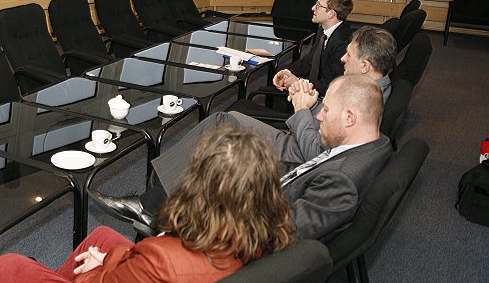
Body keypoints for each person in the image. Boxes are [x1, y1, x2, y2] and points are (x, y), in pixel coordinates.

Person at [0, 127, 295, 283]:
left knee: (6, 267)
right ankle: (47, 279)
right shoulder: (265, 239)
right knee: (102, 236)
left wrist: (96, 272)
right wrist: (110, 261)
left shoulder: (161, 262)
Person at [93, 74, 393, 242]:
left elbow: (284, 234)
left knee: (218, 156)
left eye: (325, 110)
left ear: (350, 118)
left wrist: (235, 192)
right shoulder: (376, 142)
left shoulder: (342, 181)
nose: (319, 117)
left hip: (260, 209)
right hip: (284, 181)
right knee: (222, 140)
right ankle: (153, 209)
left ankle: (153, 214)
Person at [273, 0, 354, 96]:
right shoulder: (323, 29)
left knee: (283, 95)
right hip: (316, 83)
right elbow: (310, 61)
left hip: (326, 97)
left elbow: (331, 86)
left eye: (318, 5)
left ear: (331, 14)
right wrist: (287, 72)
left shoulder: (342, 42)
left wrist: (298, 83)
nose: (313, 8)